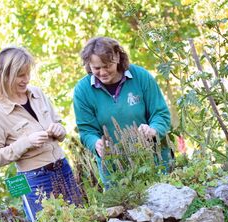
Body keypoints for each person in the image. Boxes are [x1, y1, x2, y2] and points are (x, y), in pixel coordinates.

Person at [0, 46, 82, 222]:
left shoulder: (37, 93)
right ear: (5, 75)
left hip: (63, 168)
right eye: (20, 75)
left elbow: (59, 125)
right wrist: (26, 142)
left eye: (28, 74)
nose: (26, 80)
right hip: (35, 181)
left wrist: (59, 130)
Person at [73, 37, 172, 185]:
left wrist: (153, 130)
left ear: (118, 57)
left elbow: (160, 113)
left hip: (154, 160)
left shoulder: (141, 77)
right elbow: (86, 131)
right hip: (115, 171)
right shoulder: (82, 90)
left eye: (107, 66)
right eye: (96, 68)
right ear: (89, 65)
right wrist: (96, 143)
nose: (103, 72)